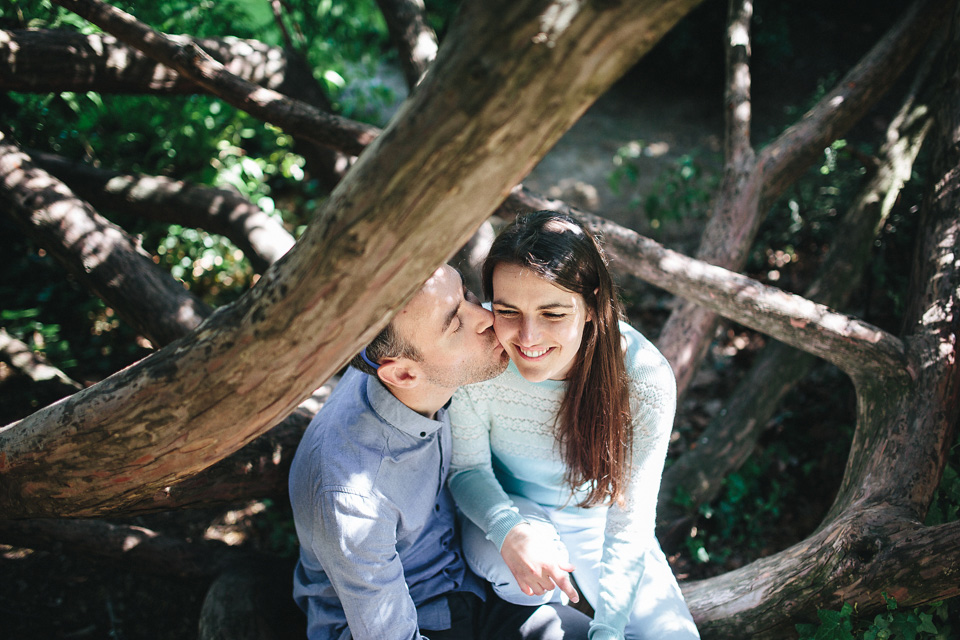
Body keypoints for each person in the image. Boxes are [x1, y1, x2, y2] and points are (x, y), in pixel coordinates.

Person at [288, 264, 592, 640]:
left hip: (466, 586)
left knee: (579, 634)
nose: (485, 315)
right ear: (402, 375)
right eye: (455, 324)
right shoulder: (351, 497)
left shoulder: (417, 361)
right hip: (408, 619)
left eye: (465, 294)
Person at [448, 211, 700, 640]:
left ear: (591, 304)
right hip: (503, 509)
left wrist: (610, 627)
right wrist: (509, 530)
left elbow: (630, 520)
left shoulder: (644, 377)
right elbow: (466, 470)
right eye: (508, 310)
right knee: (526, 583)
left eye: (552, 313)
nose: (527, 337)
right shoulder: (481, 355)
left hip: (594, 520)